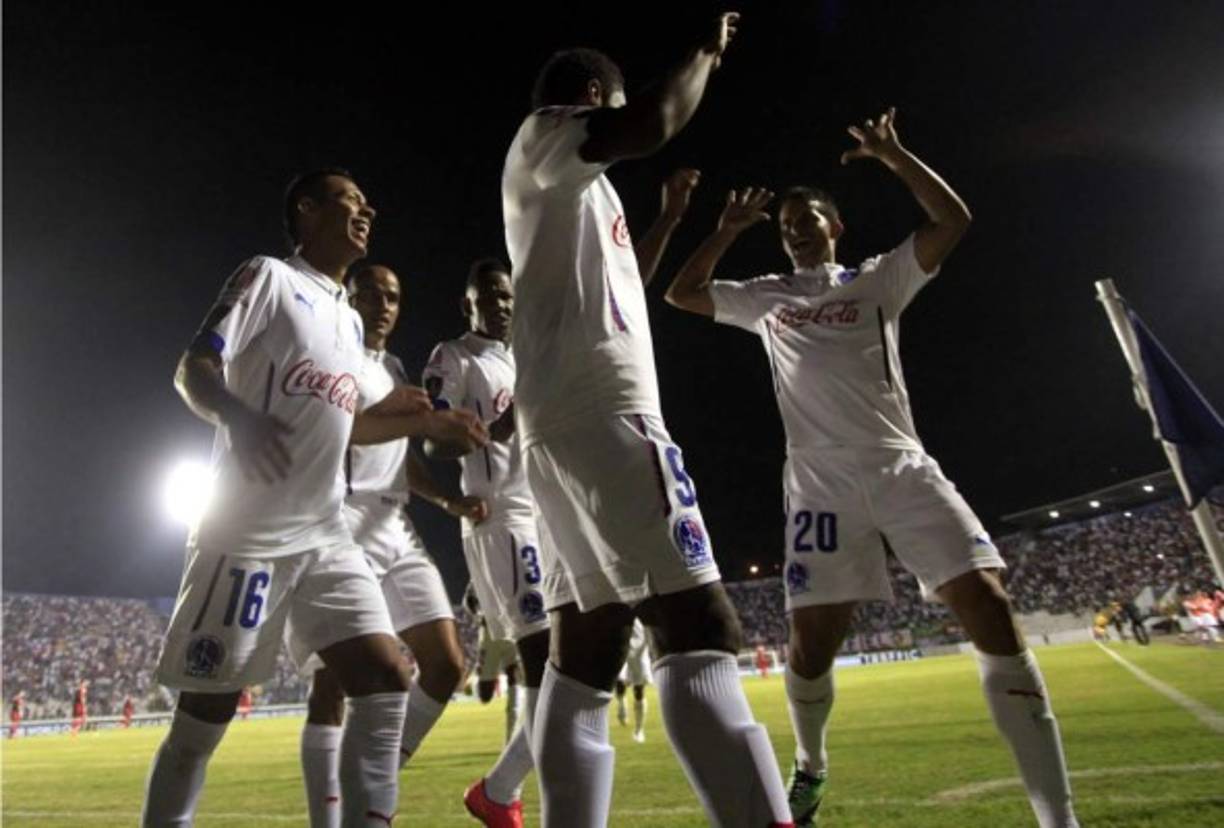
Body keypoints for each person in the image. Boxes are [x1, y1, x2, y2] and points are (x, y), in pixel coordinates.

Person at [665, 108, 1079, 827]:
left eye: (807, 218)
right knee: (811, 646)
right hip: (820, 486)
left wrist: (896, 157)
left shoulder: (876, 280)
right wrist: (727, 233)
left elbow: (953, 220)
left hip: (901, 469)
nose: (794, 227)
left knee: (989, 603)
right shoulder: (767, 297)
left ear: (834, 227)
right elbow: (681, 294)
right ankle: (812, 766)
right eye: (785, 222)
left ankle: (1057, 816)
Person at [502, 13, 793, 826]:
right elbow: (654, 121)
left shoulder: (573, 195)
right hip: (604, 418)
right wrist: (704, 48)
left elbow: (624, 291)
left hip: (559, 427)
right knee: (700, 624)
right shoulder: (548, 135)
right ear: (593, 98)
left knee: (586, 653)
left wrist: (667, 218)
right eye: (610, 107)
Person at [142, 168, 485, 828]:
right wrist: (238, 418)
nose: (367, 209)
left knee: (387, 682)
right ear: (306, 211)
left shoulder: (346, 324)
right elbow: (194, 368)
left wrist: (423, 422)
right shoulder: (268, 278)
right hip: (247, 534)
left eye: (366, 200)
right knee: (201, 725)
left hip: (327, 533)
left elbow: (351, 424)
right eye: (349, 200)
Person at [295, 263, 487, 828]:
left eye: (394, 296)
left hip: (394, 524)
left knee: (447, 665)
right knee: (333, 683)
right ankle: (332, 818)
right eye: (371, 293)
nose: (383, 304)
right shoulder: (334, 356)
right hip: (340, 519)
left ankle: (378, 774)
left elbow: (402, 460)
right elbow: (344, 428)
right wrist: (426, 425)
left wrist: (449, 503)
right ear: (348, 298)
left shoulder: (396, 367)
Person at [422, 257, 549, 828]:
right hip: (501, 518)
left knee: (582, 659)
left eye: (506, 296)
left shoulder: (526, 355)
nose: (500, 304)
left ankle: (499, 791)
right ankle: (503, 792)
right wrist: (489, 432)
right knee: (549, 664)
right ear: (468, 304)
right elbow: (433, 440)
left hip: (550, 518)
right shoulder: (455, 357)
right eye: (488, 296)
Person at [614, 618, 651, 743]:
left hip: (639, 642)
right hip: (621, 636)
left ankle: (639, 730)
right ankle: (621, 704)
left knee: (638, 689)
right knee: (619, 679)